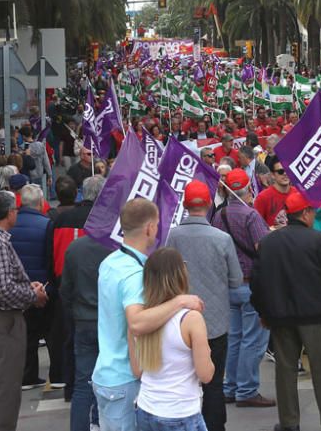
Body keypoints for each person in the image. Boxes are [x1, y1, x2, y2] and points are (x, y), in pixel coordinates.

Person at [92, 199, 203, 431]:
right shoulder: (134, 274)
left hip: (106, 374)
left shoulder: (110, 262)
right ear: (149, 228)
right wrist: (180, 300)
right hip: (124, 379)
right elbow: (137, 323)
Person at [251, 191, 321, 431]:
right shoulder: (318, 240)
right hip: (314, 315)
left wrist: (263, 312)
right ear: (307, 213)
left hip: (281, 316)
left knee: (285, 370)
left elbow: (258, 282)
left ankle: (289, 423)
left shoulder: (268, 242)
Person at [164, 181, 243, 431]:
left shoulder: (172, 236)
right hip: (215, 324)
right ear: (209, 204)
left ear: (185, 205)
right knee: (214, 383)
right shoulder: (222, 238)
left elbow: (164, 274)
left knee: (182, 380)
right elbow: (236, 279)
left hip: (180, 323)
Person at [0, 191, 48, 431]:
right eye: (14, 209)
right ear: (8, 213)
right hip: (2, 320)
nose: (17, 212)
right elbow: (3, 290)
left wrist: (26, 286)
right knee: (4, 386)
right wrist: (32, 295)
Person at [210, 169, 275, 408]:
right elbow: (262, 248)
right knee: (253, 340)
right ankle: (247, 389)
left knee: (235, 338)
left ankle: (231, 386)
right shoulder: (251, 215)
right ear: (248, 189)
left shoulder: (219, 215)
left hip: (229, 284)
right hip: (251, 285)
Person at [132, 247, 216, 431]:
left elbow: (137, 371)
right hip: (181, 412)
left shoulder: (139, 318)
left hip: (146, 408)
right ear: (180, 275)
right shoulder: (191, 319)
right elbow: (206, 375)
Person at [9, 184, 60, 390]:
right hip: (43, 288)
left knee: (26, 335)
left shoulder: (10, 225)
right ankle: (56, 374)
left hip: (19, 290)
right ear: (41, 203)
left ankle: (27, 375)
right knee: (50, 333)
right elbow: (49, 258)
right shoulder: (47, 224)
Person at [62, 231, 112, 431]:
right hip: (110, 322)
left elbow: (66, 288)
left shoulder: (74, 248)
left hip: (83, 320)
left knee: (83, 383)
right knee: (112, 380)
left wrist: (73, 314)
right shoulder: (116, 248)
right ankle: (100, 423)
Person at [254, 155, 292, 229]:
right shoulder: (263, 198)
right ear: (273, 175)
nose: (285, 173)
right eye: (281, 171)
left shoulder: (299, 193)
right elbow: (257, 227)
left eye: (288, 170)